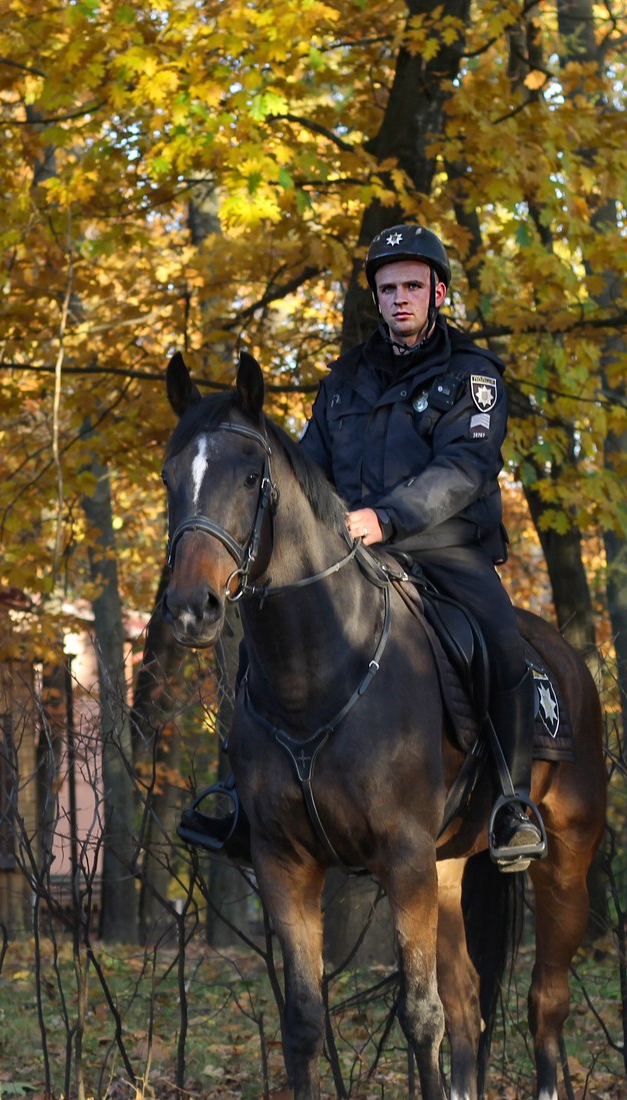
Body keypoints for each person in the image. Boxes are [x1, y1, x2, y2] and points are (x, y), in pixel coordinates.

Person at [180, 223, 546, 870]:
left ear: (436, 292)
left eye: (412, 286)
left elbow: (465, 468)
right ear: (376, 298)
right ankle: (243, 796)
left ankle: (512, 805)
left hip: (446, 547)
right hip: (352, 547)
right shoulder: (344, 380)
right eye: (388, 288)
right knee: (260, 639)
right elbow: (308, 466)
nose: (400, 298)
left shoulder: (474, 376)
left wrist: (388, 516)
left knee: (503, 643)